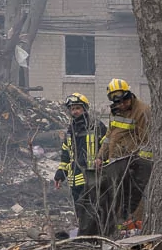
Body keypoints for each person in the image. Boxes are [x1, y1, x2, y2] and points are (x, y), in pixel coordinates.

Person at [83, 79, 153, 236]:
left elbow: (146, 142)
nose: (122, 105)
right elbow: (110, 136)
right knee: (115, 198)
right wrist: (101, 156)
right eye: (118, 102)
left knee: (134, 199)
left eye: (124, 101)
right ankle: (117, 231)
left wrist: (138, 165)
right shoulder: (116, 111)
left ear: (129, 95)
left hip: (132, 164)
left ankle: (135, 233)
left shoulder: (142, 111)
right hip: (115, 163)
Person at [51, 93, 105, 230]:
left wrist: (104, 166)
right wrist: (60, 174)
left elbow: (107, 148)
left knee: (94, 211)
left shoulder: (97, 126)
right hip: (75, 180)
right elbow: (66, 155)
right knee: (80, 212)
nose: (74, 111)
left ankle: (96, 235)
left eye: (77, 108)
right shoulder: (70, 130)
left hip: (93, 178)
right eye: (72, 108)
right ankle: (84, 233)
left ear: (84, 109)